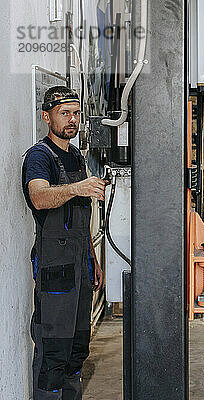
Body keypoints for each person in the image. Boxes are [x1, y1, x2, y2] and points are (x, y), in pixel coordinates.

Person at [21, 86, 106, 400]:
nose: (72, 119)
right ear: (47, 117)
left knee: (77, 350)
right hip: (55, 272)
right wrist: (77, 188)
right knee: (53, 352)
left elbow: (80, 224)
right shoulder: (39, 156)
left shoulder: (75, 156)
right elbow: (39, 197)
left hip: (81, 270)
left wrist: (93, 260)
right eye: (64, 113)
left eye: (76, 113)